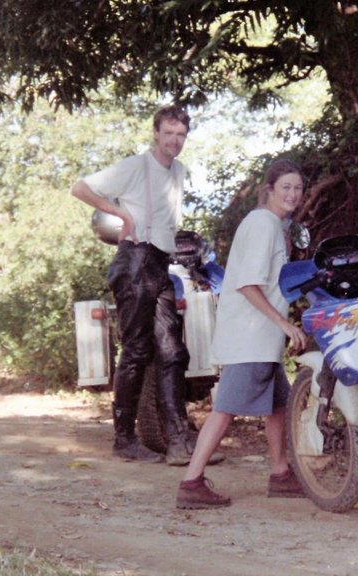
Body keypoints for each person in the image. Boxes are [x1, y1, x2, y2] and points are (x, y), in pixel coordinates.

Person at [70, 105, 202, 466]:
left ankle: (178, 441)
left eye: (181, 135)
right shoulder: (135, 167)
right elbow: (79, 187)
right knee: (137, 351)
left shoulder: (178, 171)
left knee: (173, 352)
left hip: (160, 264)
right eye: (169, 133)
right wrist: (119, 213)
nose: (174, 141)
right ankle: (124, 438)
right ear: (156, 133)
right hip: (134, 262)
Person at [176, 160, 309, 509]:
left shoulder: (273, 225)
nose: (292, 194)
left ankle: (281, 474)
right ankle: (191, 482)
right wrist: (283, 324)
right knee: (226, 410)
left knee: (278, 404)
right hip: (250, 337)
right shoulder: (263, 225)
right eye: (285, 188)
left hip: (261, 338)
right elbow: (247, 283)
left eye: (297, 188)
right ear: (269, 190)